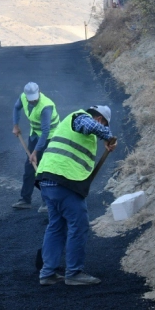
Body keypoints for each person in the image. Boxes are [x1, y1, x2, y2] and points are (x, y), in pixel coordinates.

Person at [35, 105, 117, 286]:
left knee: (56, 226)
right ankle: (73, 273)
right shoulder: (81, 117)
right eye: (103, 123)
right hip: (63, 181)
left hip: (48, 181)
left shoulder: (73, 125)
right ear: (100, 119)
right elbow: (91, 126)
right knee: (78, 225)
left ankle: (47, 273)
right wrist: (109, 136)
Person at [11, 82, 59, 213]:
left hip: (50, 137)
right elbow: (16, 108)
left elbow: (45, 132)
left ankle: (47, 202)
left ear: (39, 93)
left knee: (44, 168)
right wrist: (15, 125)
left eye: (35, 99)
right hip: (35, 135)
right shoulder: (23, 97)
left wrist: (35, 152)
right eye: (30, 99)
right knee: (29, 168)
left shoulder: (46, 106)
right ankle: (25, 200)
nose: (33, 102)